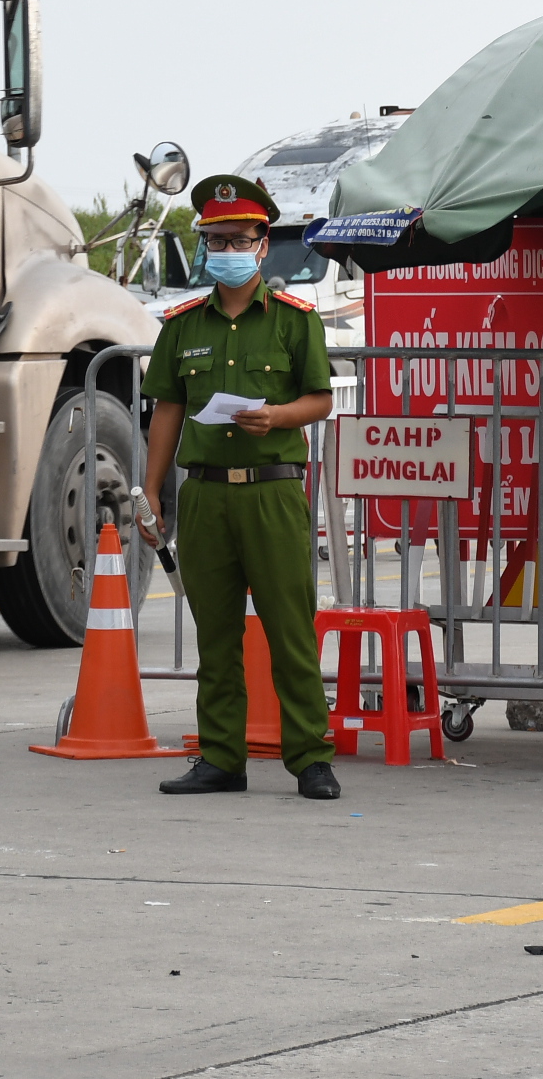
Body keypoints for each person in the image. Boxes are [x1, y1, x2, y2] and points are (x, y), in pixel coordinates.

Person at [139, 175, 342, 800]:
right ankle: (221, 758)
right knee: (216, 633)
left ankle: (310, 757)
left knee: (289, 628)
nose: (222, 249)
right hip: (204, 495)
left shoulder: (293, 320)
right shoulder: (181, 326)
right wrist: (151, 492)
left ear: (261, 245)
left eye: (236, 238)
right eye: (213, 239)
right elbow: (168, 410)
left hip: (272, 492)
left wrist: (276, 417)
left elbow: (320, 400)